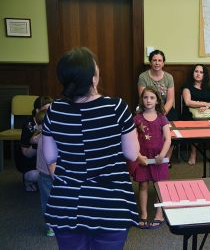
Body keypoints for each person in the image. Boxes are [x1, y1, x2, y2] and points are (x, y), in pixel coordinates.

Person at [42, 47, 140, 250]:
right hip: (110, 204)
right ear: (93, 78)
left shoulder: (53, 110)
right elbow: (131, 153)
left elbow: (50, 157)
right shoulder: (117, 107)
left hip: (67, 203)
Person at [128, 86, 171, 229]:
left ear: (157, 101)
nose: (148, 100)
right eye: (145, 97)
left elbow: (168, 139)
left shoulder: (162, 118)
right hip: (143, 158)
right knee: (143, 185)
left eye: (152, 98)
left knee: (160, 186)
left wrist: (162, 155)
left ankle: (159, 214)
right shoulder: (137, 118)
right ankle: (144, 214)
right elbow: (132, 139)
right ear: (142, 100)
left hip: (158, 157)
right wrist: (139, 156)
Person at [181, 64, 210, 165]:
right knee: (194, 125)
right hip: (192, 115)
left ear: (205, 74)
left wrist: (207, 107)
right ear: (193, 73)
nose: (198, 74)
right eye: (196, 71)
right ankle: (193, 153)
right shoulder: (187, 86)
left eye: (201, 72)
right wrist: (205, 104)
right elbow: (188, 102)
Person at [17, 95, 53, 191]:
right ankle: (28, 180)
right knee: (34, 175)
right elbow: (26, 154)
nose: (49, 113)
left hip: (46, 161)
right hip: (30, 163)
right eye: (46, 110)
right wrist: (36, 142)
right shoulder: (28, 125)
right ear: (37, 111)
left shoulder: (52, 121)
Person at [138, 49, 178, 121]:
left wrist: (161, 115)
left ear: (163, 63)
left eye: (159, 60)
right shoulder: (143, 77)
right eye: (154, 60)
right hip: (148, 108)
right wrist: (153, 115)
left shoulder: (169, 77)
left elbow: (170, 100)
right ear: (150, 62)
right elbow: (143, 98)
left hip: (165, 109)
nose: (157, 63)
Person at [34, 108, 56, 237]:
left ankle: (51, 226)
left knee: (47, 201)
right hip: (51, 175)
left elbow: (33, 140)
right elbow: (51, 163)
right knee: (53, 201)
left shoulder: (41, 137)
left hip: (44, 175)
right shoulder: (50, 139)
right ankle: (54, 226)